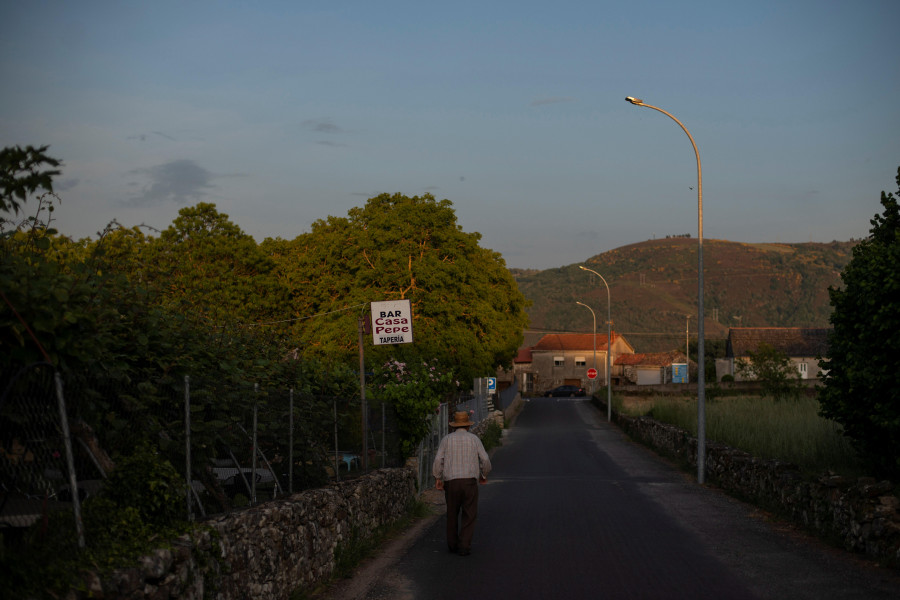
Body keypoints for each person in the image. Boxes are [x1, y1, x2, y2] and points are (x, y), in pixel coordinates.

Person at [432, 410, 492, 556]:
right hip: (469, 482)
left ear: (454, 426)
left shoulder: (446, 439)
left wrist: (437, 477)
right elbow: (485, 459)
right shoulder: (474, 439)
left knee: (452, 513)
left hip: (451, 482)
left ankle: (452, 545)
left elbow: (438, 459)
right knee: (469, 514)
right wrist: (483, 475)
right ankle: (464, 545)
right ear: (468, 426)